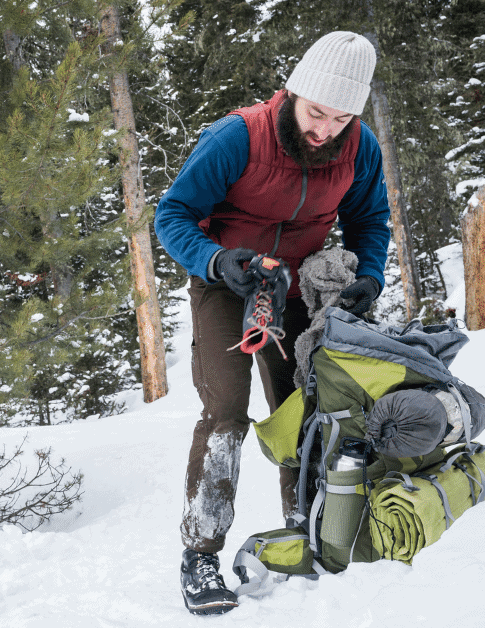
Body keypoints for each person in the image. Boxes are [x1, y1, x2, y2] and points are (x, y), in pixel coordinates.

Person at [154, 31, 393, 616]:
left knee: (302, 409)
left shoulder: (358, 147)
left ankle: (302, 529)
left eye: (340, 118)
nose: (324, 130)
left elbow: (371, 220)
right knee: (227, 413)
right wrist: (214, 260)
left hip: (296, 285)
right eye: (316, 113)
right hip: (226, 278)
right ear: (293, 93)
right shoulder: (239, 136)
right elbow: (173, 214)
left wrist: (371, 275)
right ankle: (201, 552)